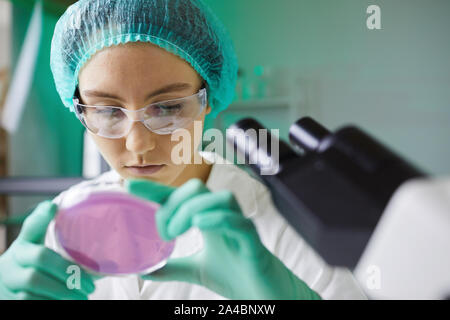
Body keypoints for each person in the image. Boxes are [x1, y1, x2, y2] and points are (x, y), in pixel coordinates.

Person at [0, 0, 366, 300]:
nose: (137, 143)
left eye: (167, 107)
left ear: (208, 100)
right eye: (108, 110)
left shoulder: (287, 227)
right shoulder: (62, 224)